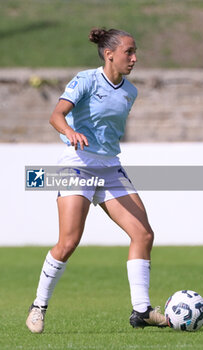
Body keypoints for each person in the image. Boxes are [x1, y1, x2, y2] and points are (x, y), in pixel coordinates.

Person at [26, 27, 168, 333]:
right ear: (109, 54)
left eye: (135, 51)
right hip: (77, 166)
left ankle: (141, 310)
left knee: (143, 235)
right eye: (129, 52)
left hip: (110, 169)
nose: (134, 58)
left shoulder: (130, 92)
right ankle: (38, 305)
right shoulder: (86, 80)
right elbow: (56, 115)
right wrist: (70, 132)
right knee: (68, 242)